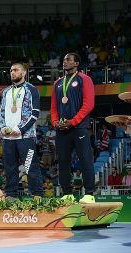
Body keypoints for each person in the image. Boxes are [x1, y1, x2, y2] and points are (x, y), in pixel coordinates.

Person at [50, 53, 96, 204]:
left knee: (85, 159)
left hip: (79, 127)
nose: (64, 62)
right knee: (63, 161)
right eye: (63, 59)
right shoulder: (57, 82)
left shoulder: (84, 79)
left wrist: (73, 122)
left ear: (76, 63)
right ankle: (67, 193)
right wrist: (56, 122)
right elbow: (54, 107)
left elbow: (89, 104)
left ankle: (89, 193)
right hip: (62, 129)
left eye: (68, 59)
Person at [0, 63, 43, 200]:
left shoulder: (31, 90)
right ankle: (11, 195)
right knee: (10, 167)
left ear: (23, 73)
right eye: (11, 70)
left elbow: (35, 113)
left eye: (16, 70)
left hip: (26, 137)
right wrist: (2, 127)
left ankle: (37, 194)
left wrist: (21, 129)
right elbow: (1, 112)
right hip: (8, 139)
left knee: (30, 165)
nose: (12, 72)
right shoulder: (5, 91)